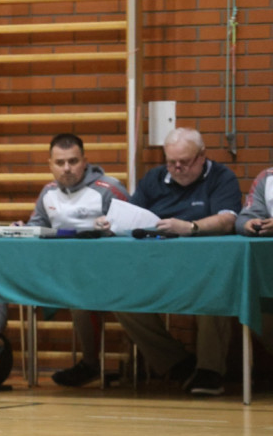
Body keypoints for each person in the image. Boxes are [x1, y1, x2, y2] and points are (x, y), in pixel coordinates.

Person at [99, 127, 242, 396]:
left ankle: (210, 372)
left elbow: (228, 219)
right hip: (155, 265)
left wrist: (190, 226)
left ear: (202, 156)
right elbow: (132, 213)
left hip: (206, 268)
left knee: (214, 293)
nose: (177, 168)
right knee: (119, 296)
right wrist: (109, 222)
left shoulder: (222, 177)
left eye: (184, 162)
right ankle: (178, 364)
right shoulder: (154, 177)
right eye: (171, 162)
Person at [0, 133, 130, 388]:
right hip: (54, 272)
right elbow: (37, 229)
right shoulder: (48, 193)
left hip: (99, 274)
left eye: (73, 161)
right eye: (60, 163)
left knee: (81, 299)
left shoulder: (110, 189)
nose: (67, 168)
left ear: (85, 161)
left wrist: (112, 228)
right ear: (50, 164)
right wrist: (22, 228)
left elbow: (135, 230)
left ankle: (90, 365)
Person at [236, 166, 273, 356]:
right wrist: (249, 225)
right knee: (255, 309)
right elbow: (244, 217)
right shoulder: (267, 177)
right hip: (269, 272)